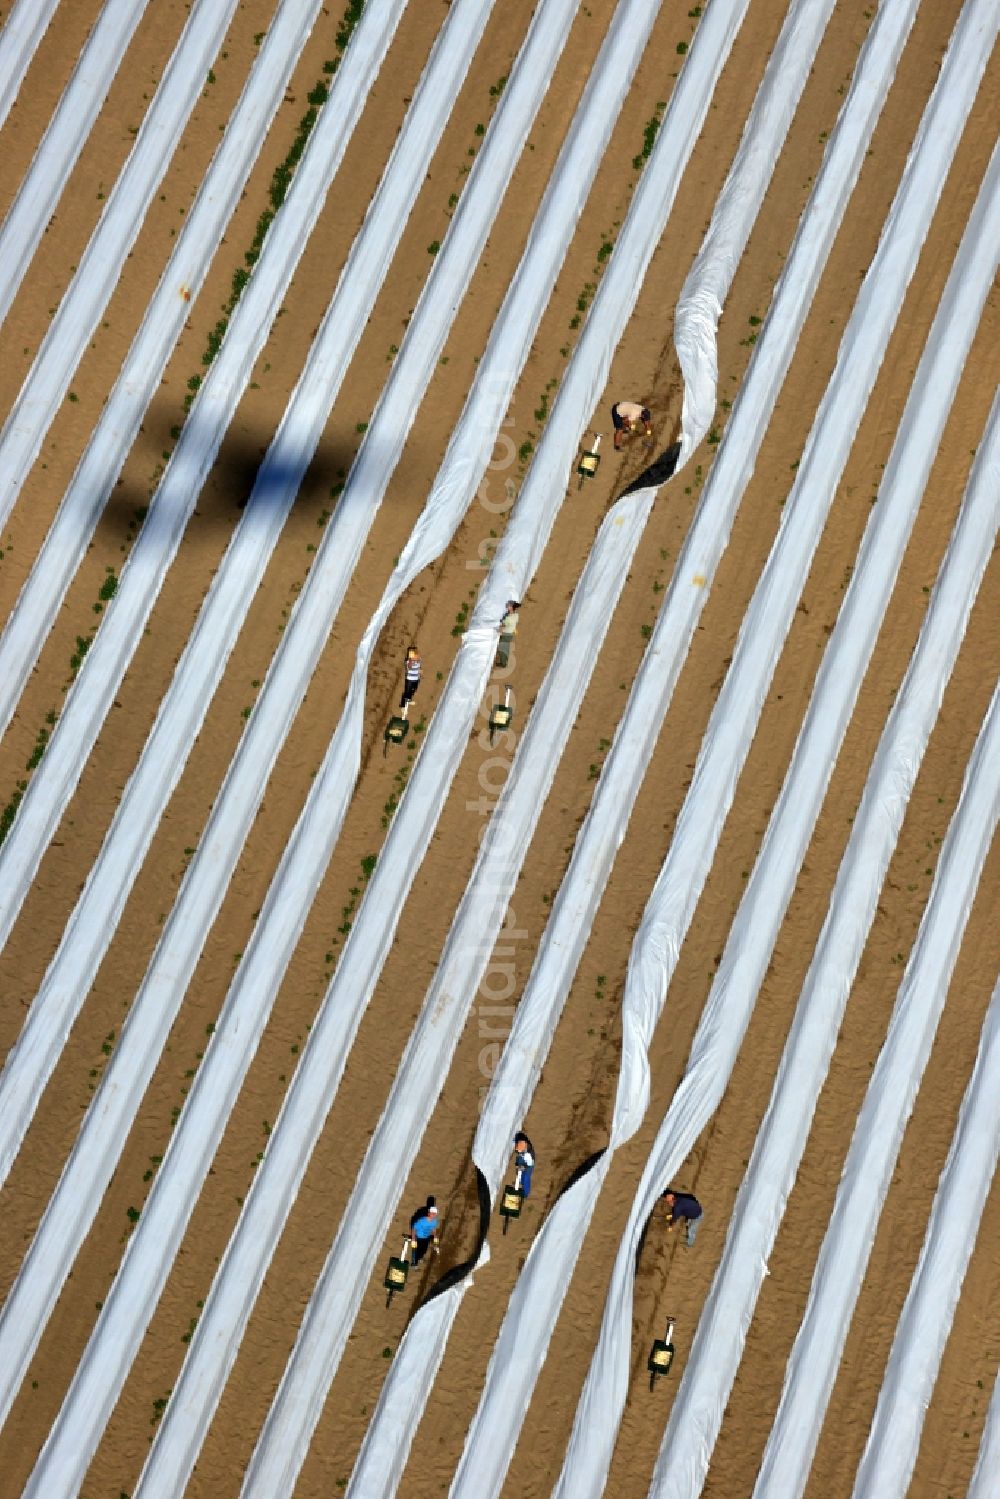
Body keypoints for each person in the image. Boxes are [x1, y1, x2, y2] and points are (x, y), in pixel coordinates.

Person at [409, 1197, 440, 1265]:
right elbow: (415, 1221)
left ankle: (418, 1259)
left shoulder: (424, 1211)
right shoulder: (423, 1212)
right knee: (420, 1248)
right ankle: (415, 1261)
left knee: (423, 1249)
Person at [495, 600, 521, 669]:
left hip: (505, 634)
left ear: (512, 607)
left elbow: (502, 626)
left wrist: (497, 631)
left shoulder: (509, 618)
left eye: (509, 605)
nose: (507, 606)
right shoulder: (516, 615)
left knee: (502, 649)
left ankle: (503, 664)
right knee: (506, 647)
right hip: (510, 634)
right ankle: (505, 660)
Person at [512, 1132, 535, 1197]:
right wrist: (518, 1164)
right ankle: (520, 1182)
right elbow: (519, 1153)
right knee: (520, 1174)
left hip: (528, 1165)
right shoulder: (522, 1144)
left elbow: (529, 1164)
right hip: (522, 1159)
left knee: (526, 1178)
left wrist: (522, 1167)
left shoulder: (528, 1155)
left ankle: (525, 1193)